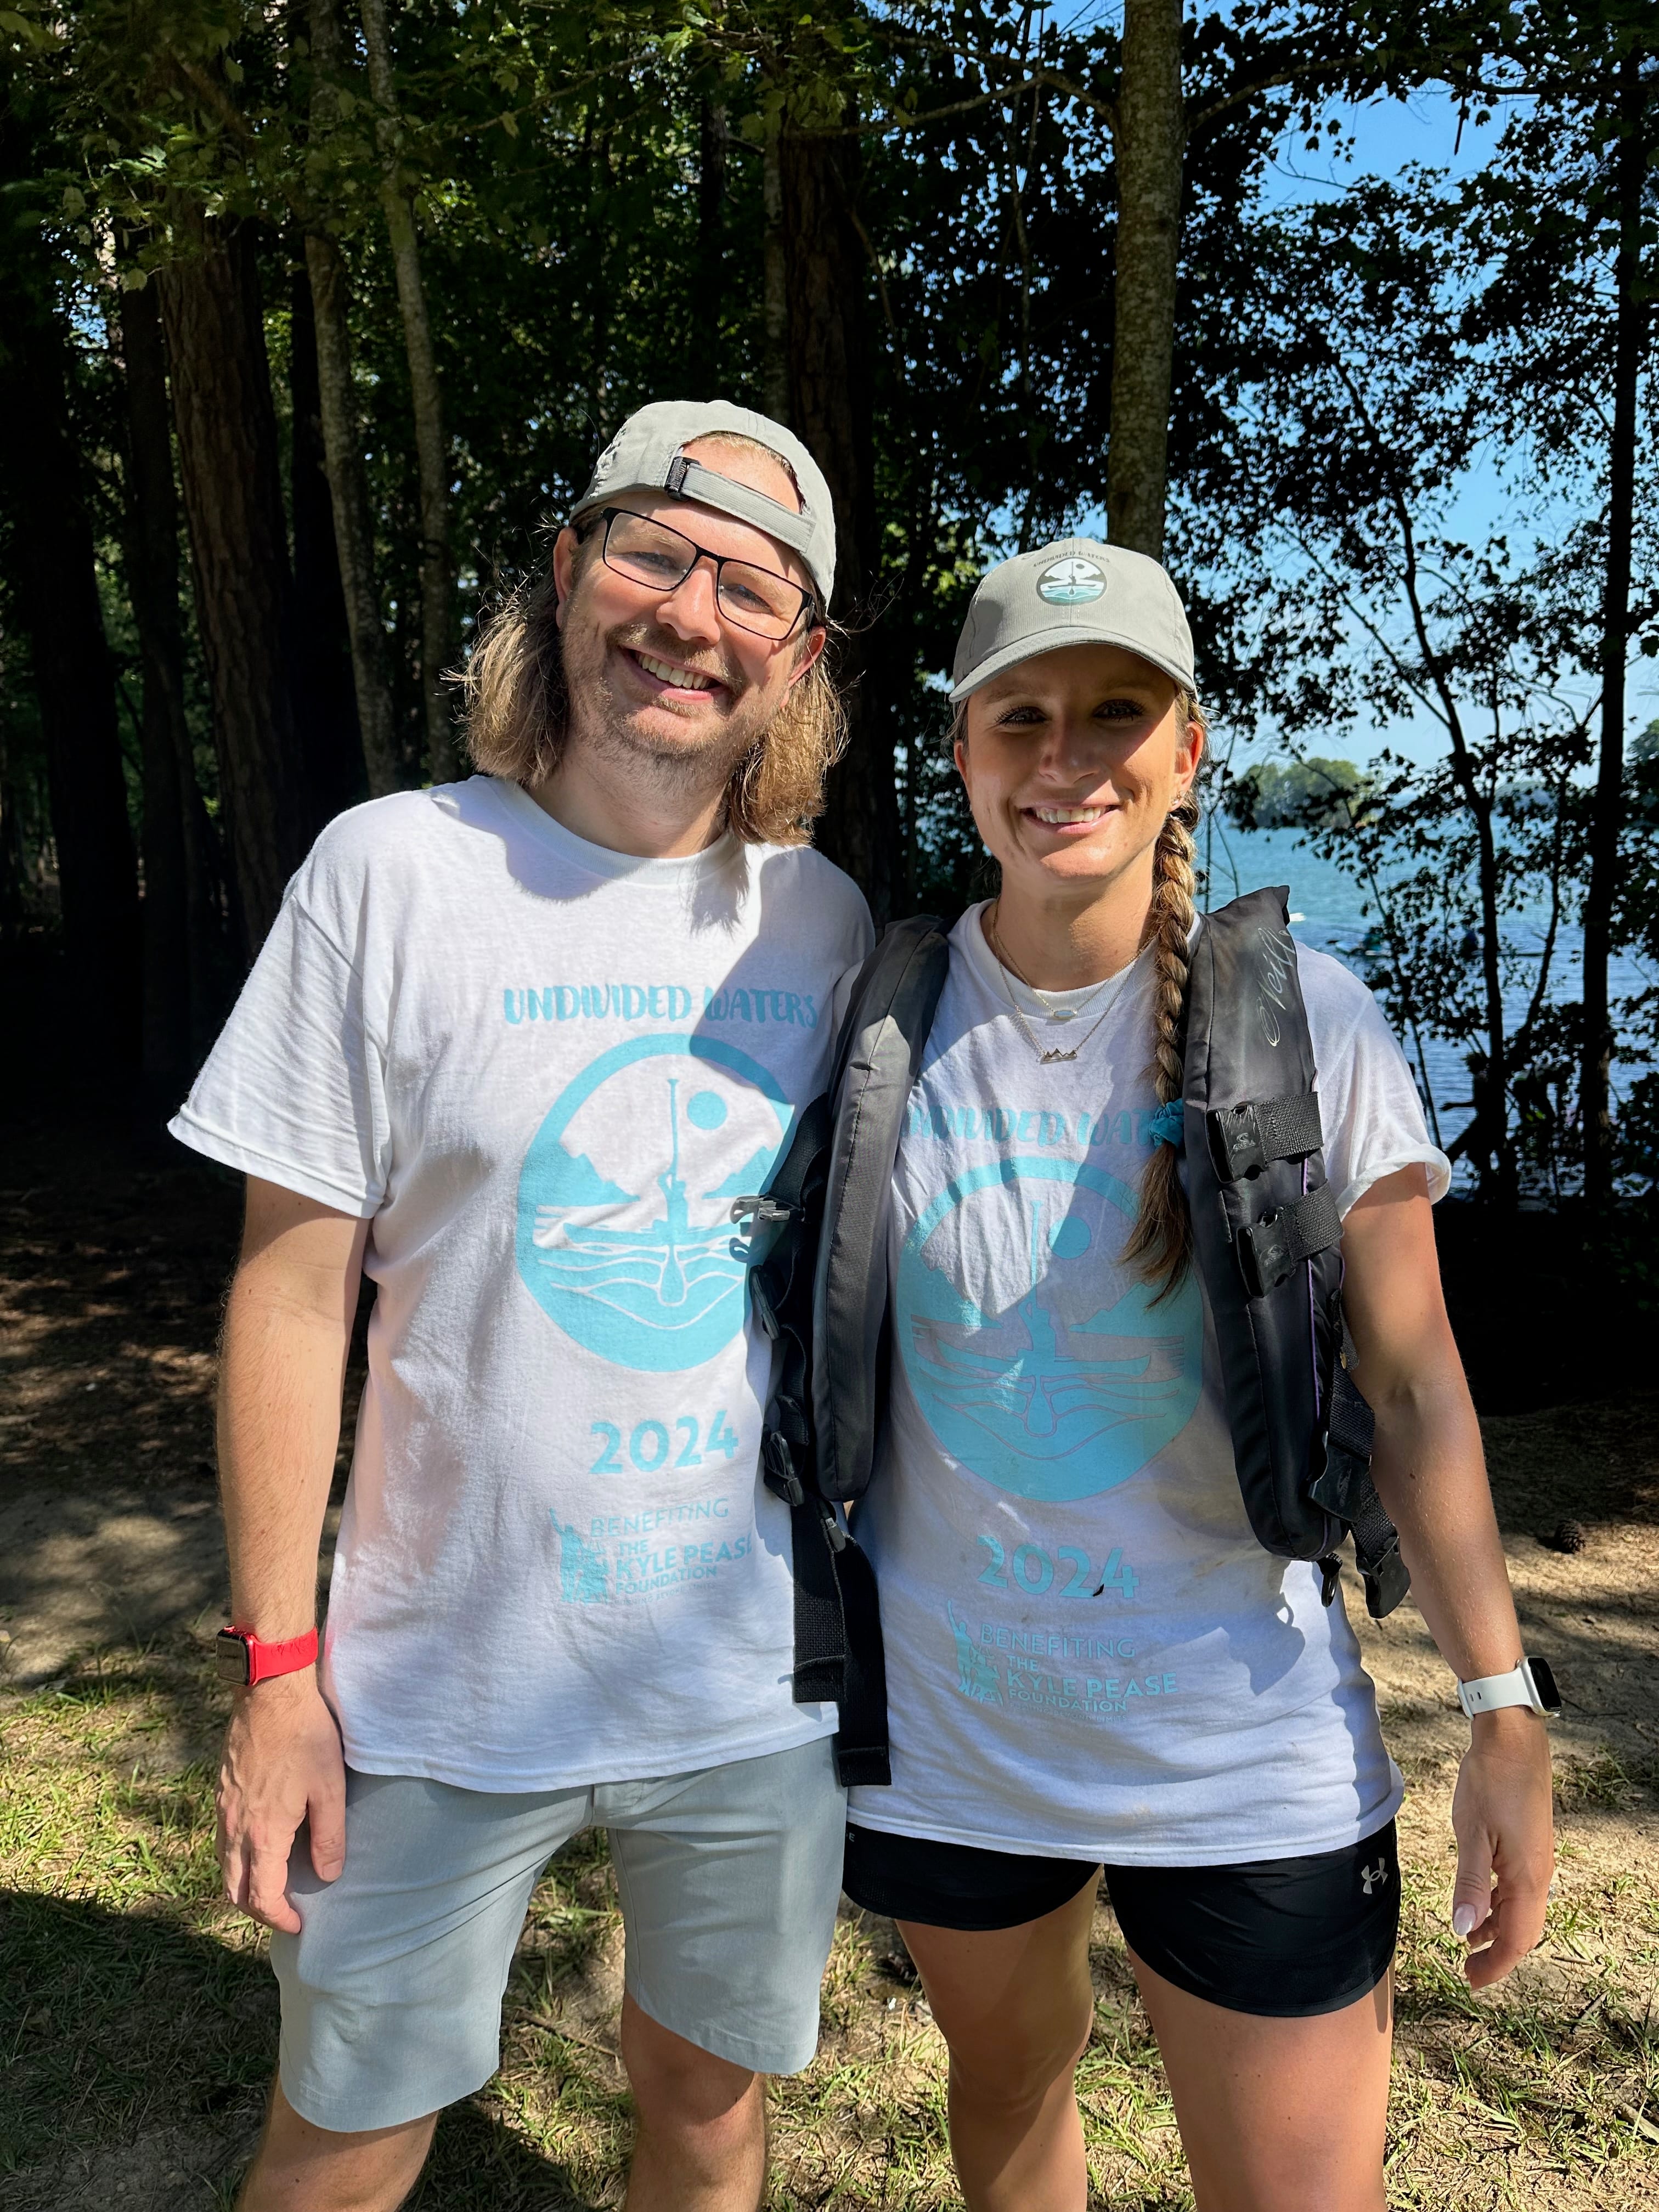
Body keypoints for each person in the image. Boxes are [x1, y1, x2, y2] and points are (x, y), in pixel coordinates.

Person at [169, 400, 873, 2212]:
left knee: (708, 2104)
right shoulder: (393, 874)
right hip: (435, 1683)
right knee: (348, 2123)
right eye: (655, 553)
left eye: (751, 588)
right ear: (568, 574)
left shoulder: (824, 924)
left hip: (740, 1680)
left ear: (797, 657)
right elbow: (288, 1291)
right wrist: (277, 1670)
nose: (690, 615)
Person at [837, 538, 1555, 2211]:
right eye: (1019, 719)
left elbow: (1416, 1387)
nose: (1065, 759)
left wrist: (1501, 1705)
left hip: (1245, 1750)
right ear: (958, 752)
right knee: (1011, 2114)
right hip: (956, 1740)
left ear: (1189, 749)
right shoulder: (881, 1020)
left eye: (1114, 714)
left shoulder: (1312, 1025)